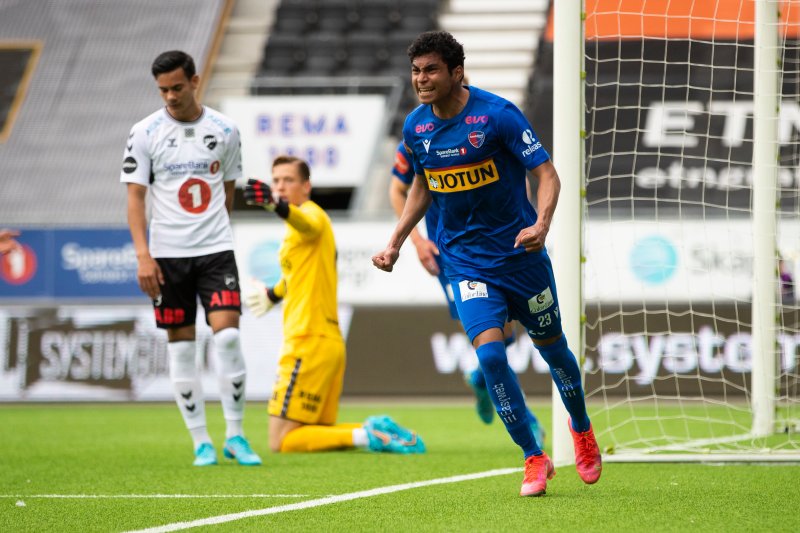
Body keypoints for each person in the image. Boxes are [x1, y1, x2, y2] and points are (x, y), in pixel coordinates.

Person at [372, 31, 601, 497]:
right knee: (492, 355)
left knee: (554, 351)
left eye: (431, 69)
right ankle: (533, 457)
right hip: (465, 264)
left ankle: (581, 428)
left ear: (456, 72)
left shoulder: (497, 116)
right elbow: (421, 184)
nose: (421, 79)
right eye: (416, 71)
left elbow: (547, 173)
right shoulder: (416, 127)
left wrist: (542, 224)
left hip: (521, 257)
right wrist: (398, 240)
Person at [120, 50, 261, 467]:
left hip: (215, 252)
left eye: (177, 88)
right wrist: (143, 256)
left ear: (194, 82)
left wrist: (217, 230)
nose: (170, 97)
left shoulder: (225, 129)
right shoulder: (144, 132)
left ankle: (235, 435)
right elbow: (134, 198)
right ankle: (201, 441)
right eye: (163, 90)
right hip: (166, 258)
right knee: (181, 351)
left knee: (229, 337)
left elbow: (228, 189)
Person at [243, 155, 425, 454]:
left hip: (307, 340)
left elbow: (308, 224)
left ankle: (368, 434)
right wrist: (274, 294)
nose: (281, 186)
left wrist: (276, 204)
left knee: (282, 441)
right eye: (276, 180)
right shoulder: (295, 230)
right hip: (325, 342)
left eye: (288, 180)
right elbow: (295, 275)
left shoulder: (311, 215)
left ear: (306, 186)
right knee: (317, 433)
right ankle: (369, 434)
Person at [389, 141, 545, 446]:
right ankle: (524, 418)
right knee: (491, 338)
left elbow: (519, 176)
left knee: (508, 331)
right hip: (454, 254)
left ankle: (479, 377)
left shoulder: (488, 123)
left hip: (498, 247)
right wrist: (418, 242)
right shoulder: (417, 136)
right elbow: (397, 189)